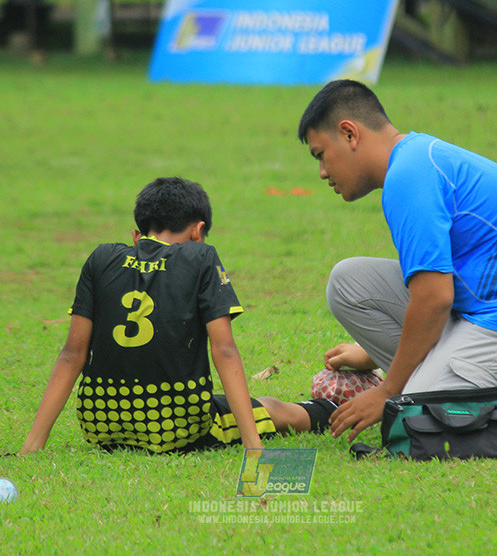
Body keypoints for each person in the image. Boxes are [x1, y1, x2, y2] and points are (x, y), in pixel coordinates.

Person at [298, 79, 497, 451]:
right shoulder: (412, 161)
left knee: (414, 416)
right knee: (347, 283)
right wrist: (371, 356)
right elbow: (431, 290)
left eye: (321, 154)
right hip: (483, 313)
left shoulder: (408, 176)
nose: (321, 171)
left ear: (349, 134)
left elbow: (434, 298)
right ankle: (439, 383)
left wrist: (387, 389)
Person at [20, 177, 336, 455]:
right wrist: (254, 447)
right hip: (180, 427)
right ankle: (331, 409)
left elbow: (71, 355)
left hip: (103, 426)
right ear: (199, 232)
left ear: (136, 236)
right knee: (273, 409)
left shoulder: (101, 258)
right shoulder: (200, 257)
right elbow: (224, 351)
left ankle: (34, 444)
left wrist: (30, 447)